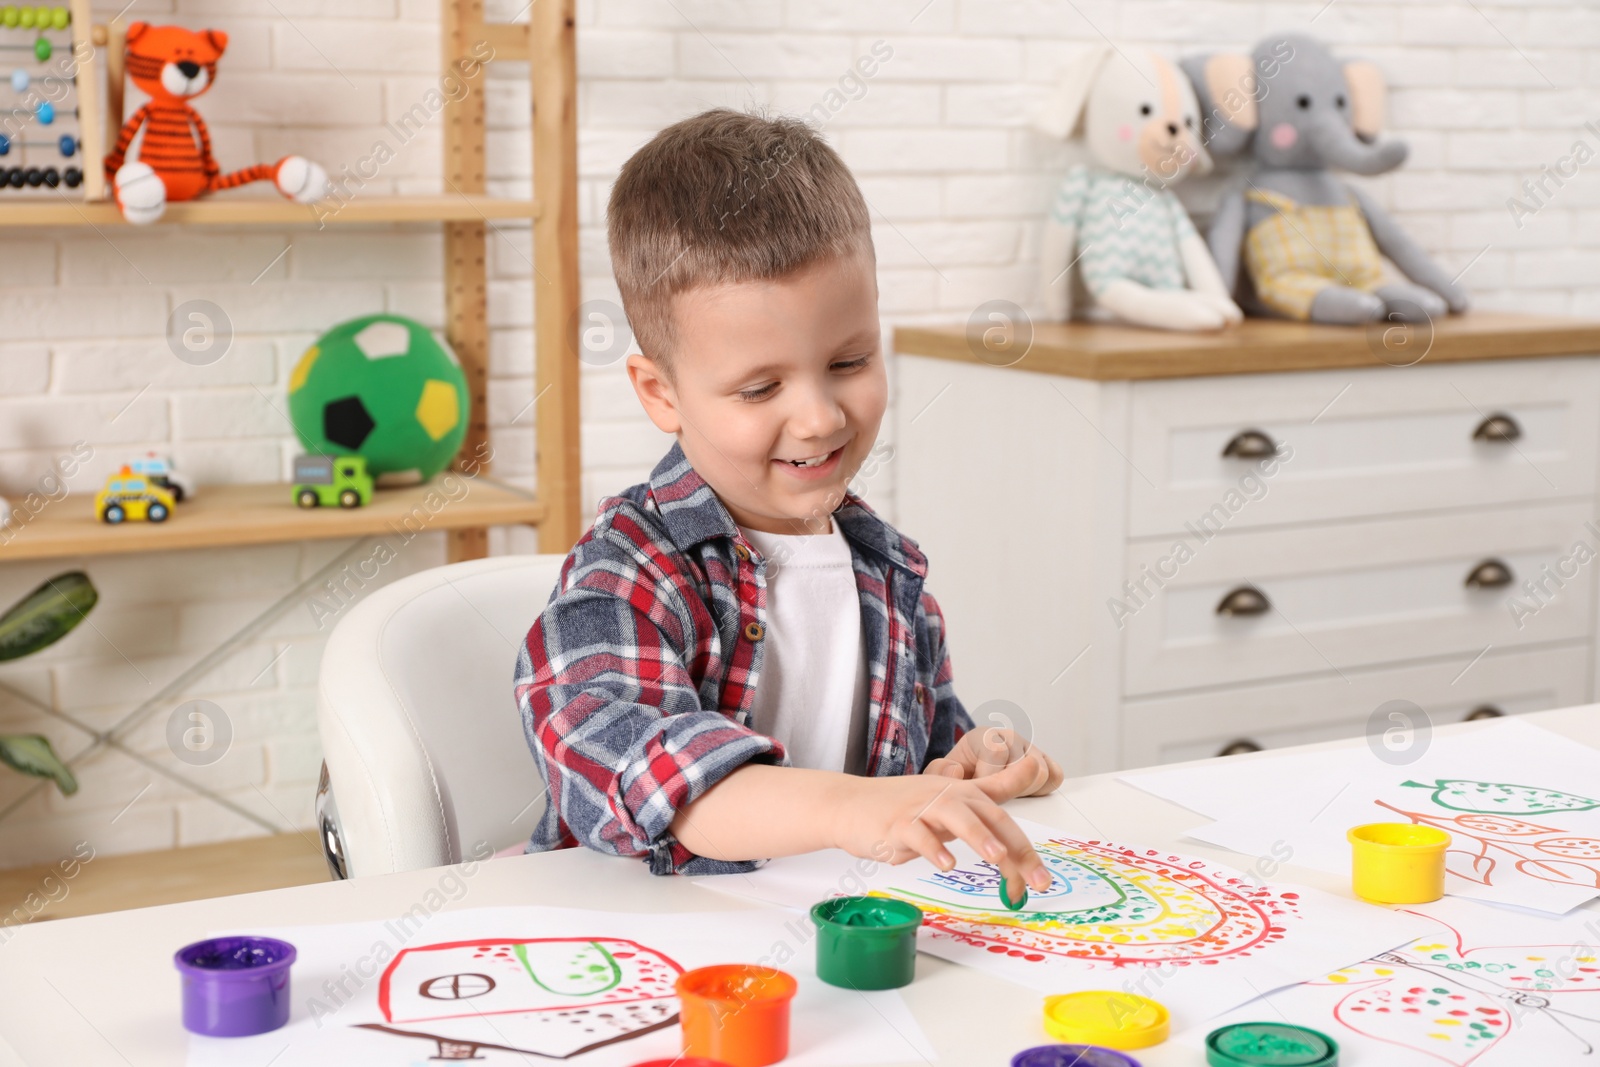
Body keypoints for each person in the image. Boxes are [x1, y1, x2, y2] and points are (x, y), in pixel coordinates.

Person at [514, 108, 1063, 893]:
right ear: (661, 392)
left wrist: (975, 766)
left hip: (839, 935)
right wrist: (857, 810)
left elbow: (921, 769)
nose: (819, 416)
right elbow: (653, 777)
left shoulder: (889, 571)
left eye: (849, 361)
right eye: (761, 386)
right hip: (654, 951)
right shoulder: (623, 580)